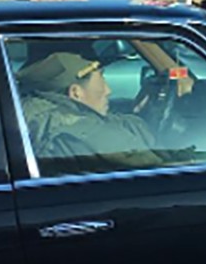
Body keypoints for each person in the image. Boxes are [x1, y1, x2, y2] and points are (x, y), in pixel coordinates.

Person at [16, 52, 171, 175]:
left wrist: (141, 113)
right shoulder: (88, 134)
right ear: (76, 93)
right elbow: (162, 174)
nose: (108, 91)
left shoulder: (38, 113)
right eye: (101, 80)